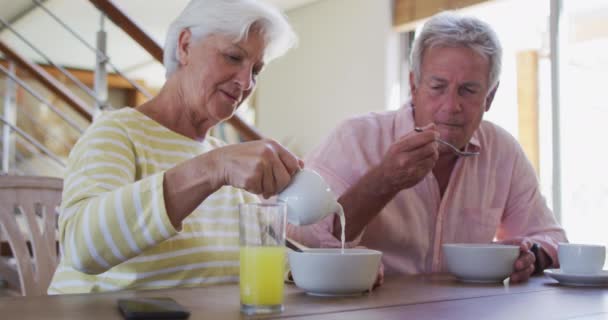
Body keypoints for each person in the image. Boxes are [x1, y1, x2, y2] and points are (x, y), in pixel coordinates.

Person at [288, 12, 567, 283]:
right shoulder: (355, 138)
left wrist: (531, 256)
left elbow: (551, 239)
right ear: (414, 85)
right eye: (438, 86)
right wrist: (383, 182)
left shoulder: (503, 151)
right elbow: (300, 240)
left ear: (490, 97)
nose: (451, 106)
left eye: (468, 90)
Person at [49, 0, 300, 294]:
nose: (245, 82)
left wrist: (343, 268)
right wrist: (213, 167)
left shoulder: (227, 159)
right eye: (233, 57)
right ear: (185, 47)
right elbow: (82, 247)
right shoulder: (116, 133)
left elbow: (274, 264)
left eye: (256, 70)